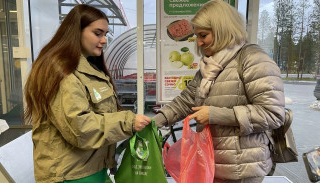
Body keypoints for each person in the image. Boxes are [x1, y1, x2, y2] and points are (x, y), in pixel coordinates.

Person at [153, 0, 285, 182]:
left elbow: (273, 114)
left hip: (241, 170)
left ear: (222, 29)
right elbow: (186, 101)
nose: (198, 43)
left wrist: (215, 115)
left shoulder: (253, 59)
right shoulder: (210, 66)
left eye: (203, 35)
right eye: (196, 36)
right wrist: (154, 122)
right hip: (210, 163)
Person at [23, 4, 151, 183]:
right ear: (76, 31)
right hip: (71, 175)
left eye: (105, 34)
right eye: (98, 33)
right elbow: (80, 128)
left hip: (91, 168)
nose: (105, 40)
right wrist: (127, 122)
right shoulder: (61, 71)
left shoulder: (89, 68)